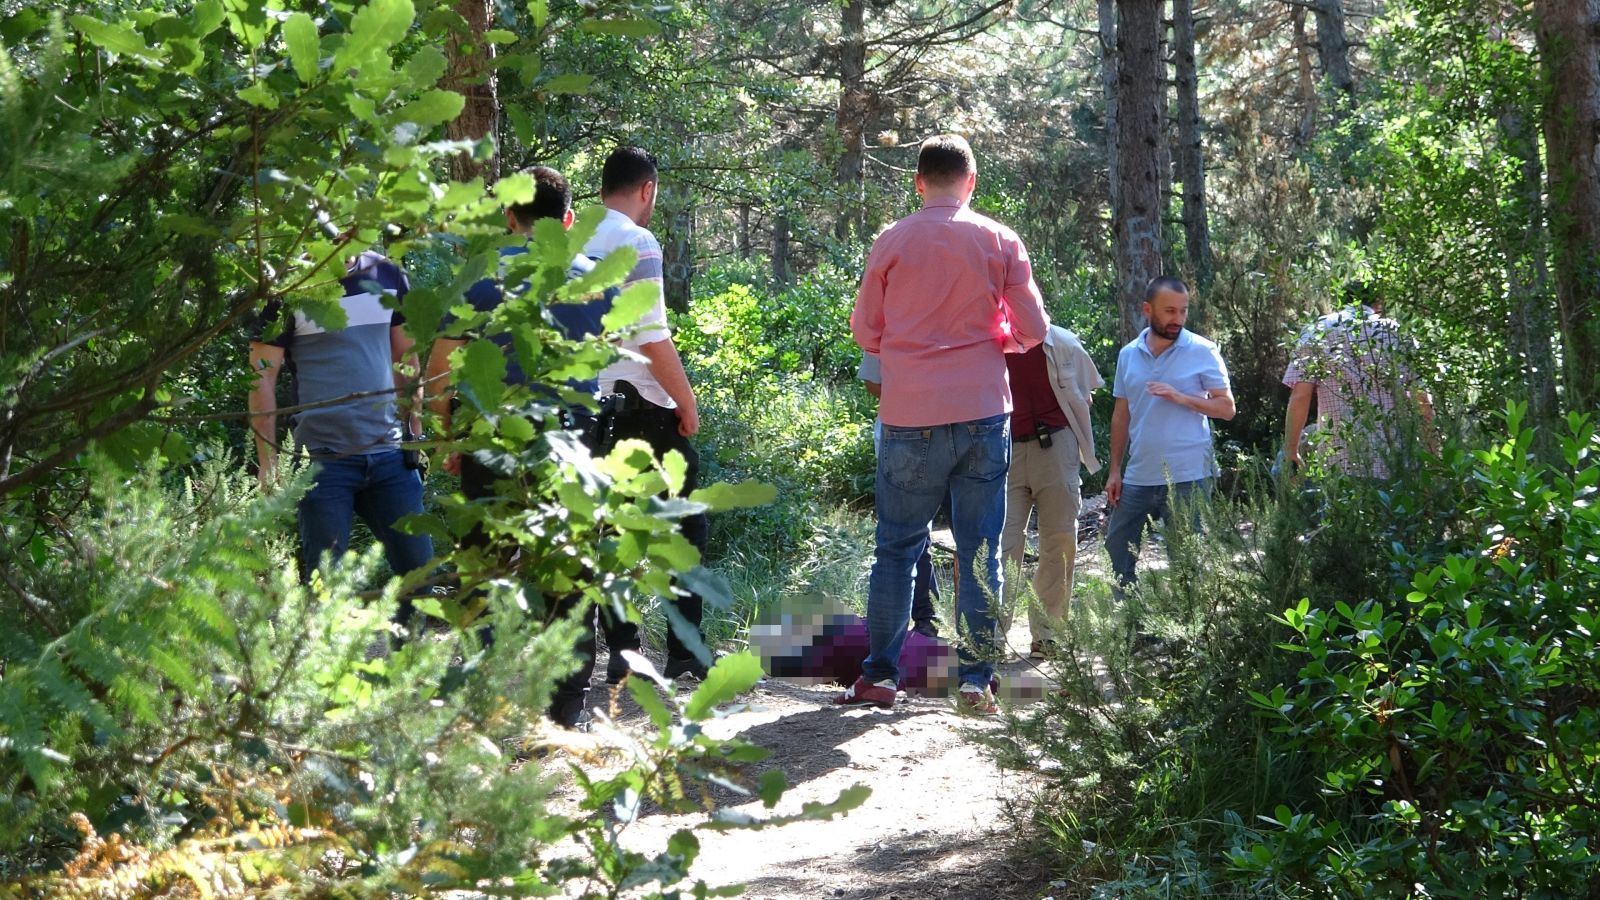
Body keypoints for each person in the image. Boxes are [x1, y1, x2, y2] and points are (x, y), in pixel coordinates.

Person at [838, 134, 1049, 716]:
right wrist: (1001, 340)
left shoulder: (892, 239)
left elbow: (865, 330)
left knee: (896, 547)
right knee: (980, 550)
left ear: (918, 182)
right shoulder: (1000, 239)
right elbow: (1034, 329)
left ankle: (881, 677)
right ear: (971, 181)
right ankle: (977, 681)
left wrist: (906, 345)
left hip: (909, 415)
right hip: (983, 411)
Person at [426, 164, 615, 729]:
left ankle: (483, 704)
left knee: (484, 572)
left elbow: (440, 369)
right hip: (571, 444)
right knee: (569, 576)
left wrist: (447, 436)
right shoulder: (593, 279)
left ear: (509, 217)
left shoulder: (479, 276)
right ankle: (566, 711)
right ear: (568, 219)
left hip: (492, 442)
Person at [248, 250, 433, 623]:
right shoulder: (289, 285)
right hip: (321, 461)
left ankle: (410, 658)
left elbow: (407, 359)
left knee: (420, 578)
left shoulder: (386, 273)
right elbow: (261, 377)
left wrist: (415, 434)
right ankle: (318, 659)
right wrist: (269, 463)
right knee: (324, 589)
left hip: (390, 454)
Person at [582, 146, 710, 683]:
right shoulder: (638, 240)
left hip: (585, 407)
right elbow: (651, 335)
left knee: (608, 531)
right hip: (642, 406)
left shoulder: (573, 234)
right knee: (683, 527)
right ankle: (684, 652)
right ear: (647, 189)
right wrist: (687, 402)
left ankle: (623, 649)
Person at [1103, 276, 1235, 599]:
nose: (1178, 318)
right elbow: (1121, 415)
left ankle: (1187, 625)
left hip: (1189, 475)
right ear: (1147, 309)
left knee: (1187, 563)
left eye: (1183, 311)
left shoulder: (1202, 350)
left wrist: (1181, 397)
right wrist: (1115, 470)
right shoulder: (1128, 354)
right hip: (1139, 474)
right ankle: (1129, 621)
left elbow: (1227, 408)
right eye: (1169, 311)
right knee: (1117, 552)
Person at [999, 325, 1103, 660]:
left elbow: (1085, 396)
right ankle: (990, 636)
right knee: (1001, 541)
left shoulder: (1063, 343)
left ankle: (1047, 634)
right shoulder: (990, 341)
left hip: (1056, 445)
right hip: (1004, 449)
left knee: (1059, 539)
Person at [1283, 283, 1434, 480]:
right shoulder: (1398, 333)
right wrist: (1433, 454)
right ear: (1378, 304)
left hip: (1339, 463)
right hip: (1395, 461)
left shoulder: (1318, 330)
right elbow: (1422, 399)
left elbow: (1300, 396)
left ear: (1341, 301)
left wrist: (1291, 450)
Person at [858, 351, 941, 639]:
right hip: (899, 439)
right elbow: (872, 381)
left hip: (948, 436)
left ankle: (929, 623)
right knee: (908, 536)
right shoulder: (882, 332)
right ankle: (914, 622)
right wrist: (911, 397)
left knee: (911, 537)